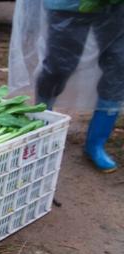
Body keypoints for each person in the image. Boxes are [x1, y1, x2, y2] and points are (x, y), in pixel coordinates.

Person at [36, 0, 124, 172]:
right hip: (68, 5)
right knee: (58, 67)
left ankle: (96, 144)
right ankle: (41, 129)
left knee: (118, 66)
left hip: (116, 7)